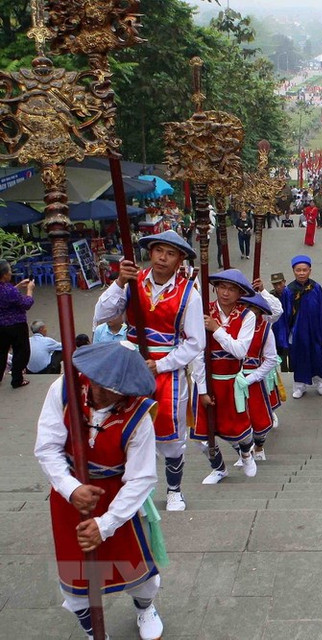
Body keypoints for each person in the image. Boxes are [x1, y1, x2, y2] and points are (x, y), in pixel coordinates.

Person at [34, 341, 165, 640]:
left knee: (137, 571)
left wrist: (105, 524)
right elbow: (47, 447)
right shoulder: (63, 389)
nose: (101, 391)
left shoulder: (140, 415)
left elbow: (141, 479)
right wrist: (71, 488)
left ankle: (145, 608)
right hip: (69, 496)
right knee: (76, 575)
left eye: (113, 388)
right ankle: (93, 631)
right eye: (98, 380)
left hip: (117, 499)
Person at [94, 230, 202, 512]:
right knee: (127, 428)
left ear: (180, 259)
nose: (162, 258)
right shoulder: (133, 282)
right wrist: (119, 281)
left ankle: (174, 490)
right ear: (150, 253)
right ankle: (135, 492)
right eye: (158, 251)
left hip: (169, 370)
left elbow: (195, 342)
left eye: (170, 253)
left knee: (170, 433)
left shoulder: (189, 294)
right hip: (131, 366)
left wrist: (162, 364)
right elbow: (101, 316)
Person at [190, 269, 258, 485]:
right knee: (202, 436)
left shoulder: (248, 316)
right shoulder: (203, 312)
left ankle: (246, 453)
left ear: (240, 293)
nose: (225, 293)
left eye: (231, 289)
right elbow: (197, 354)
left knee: (240, 431)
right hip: (207, 381)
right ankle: (218, 468)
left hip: (231, 381)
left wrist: (217, 330)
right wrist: (202, 390)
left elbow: (240, 351)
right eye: (221, 287)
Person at [280, 255, 322, 398]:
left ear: (310, 271)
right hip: (297, 332)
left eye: (304, 270)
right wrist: (285, 334)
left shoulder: (316, 288)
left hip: (314, 331)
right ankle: (300, 386)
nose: (301, 273)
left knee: (317, 356)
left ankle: (320, 383)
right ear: (293, 271)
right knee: (299, 358)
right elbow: (285, 313)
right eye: (298, 270)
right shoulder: (289, 291)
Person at [235, 291, 282, 462]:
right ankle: (244, 452)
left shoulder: (265, 330)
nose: (247, 312)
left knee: (258, 415)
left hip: (254, 377)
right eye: (244, 308)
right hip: (233, 377)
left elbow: (271, 359)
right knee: (236, 416)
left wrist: (251, 378)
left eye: (253, 310)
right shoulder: (233, 325)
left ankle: (259, 445)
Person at [0, 259, 34, 389]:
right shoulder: (9, 290)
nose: (11, 273)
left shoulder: (8, 290)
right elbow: (27, 304)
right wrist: (30, 290)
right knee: (21, 352)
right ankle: (17, 379)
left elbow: (6, 297)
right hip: (16, 325)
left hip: (1, 325)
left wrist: (18, 286)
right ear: (4, 275)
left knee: (1, 352)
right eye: (9, 271)